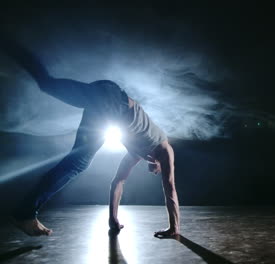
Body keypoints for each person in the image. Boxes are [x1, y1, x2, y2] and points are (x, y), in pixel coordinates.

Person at [1, 37, 180, 237]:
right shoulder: (164, 148)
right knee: (77, 163)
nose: (154, 171)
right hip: (113, 102)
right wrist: (174, 229)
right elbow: (170, 189)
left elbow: (117, 182)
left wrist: (113, 219)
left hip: (104, 97)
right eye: (158, 169)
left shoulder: (136, 154)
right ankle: (24, 213)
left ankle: (7, 43)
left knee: (46, 84)